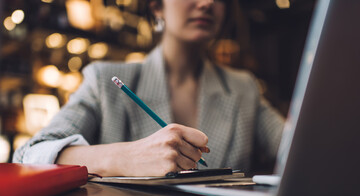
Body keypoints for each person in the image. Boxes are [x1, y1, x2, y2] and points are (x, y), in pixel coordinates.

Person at [13, 0, 284, 177]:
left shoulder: (243, 88)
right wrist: (124, 157)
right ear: (156, 6)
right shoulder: (103, 79)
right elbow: (30, 154)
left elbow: (294, 147)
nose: (207, 3)